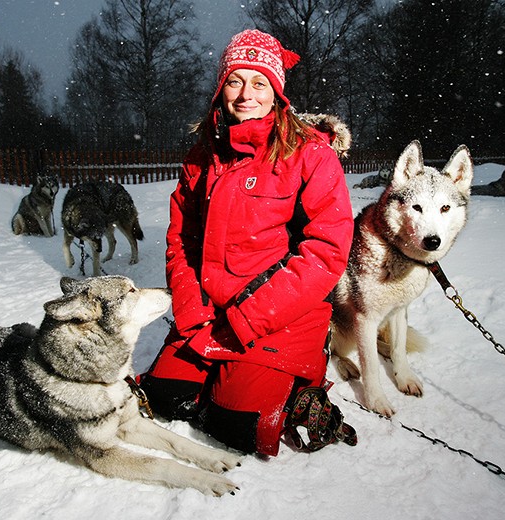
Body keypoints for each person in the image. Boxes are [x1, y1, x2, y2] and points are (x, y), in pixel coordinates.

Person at [138, 29, 356, 457]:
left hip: (277, 314)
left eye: (260, 83)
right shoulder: (202, 156)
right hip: (208, 310)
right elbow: (180, 240)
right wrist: (190, 306)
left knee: (236, 426)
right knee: (163, 397)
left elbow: (326, 252)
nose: (245, 95)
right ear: (221, 88)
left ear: (277, 92)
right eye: (235, 80)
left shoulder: (310, 154)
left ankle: (298, 386)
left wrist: (247, 319)